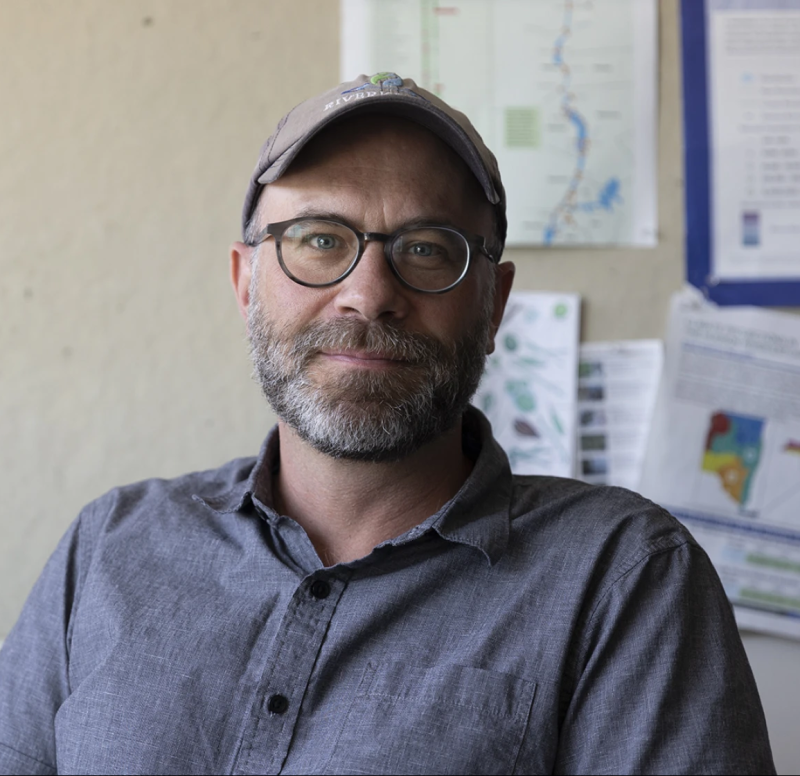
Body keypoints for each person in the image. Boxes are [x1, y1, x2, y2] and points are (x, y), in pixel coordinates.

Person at [0, 73, 775, 775]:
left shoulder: (624, 578)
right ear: (245, 282)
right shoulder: (107, 548)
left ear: (494, 305)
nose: (369, 294)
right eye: (320, 239)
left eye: (427, 249)